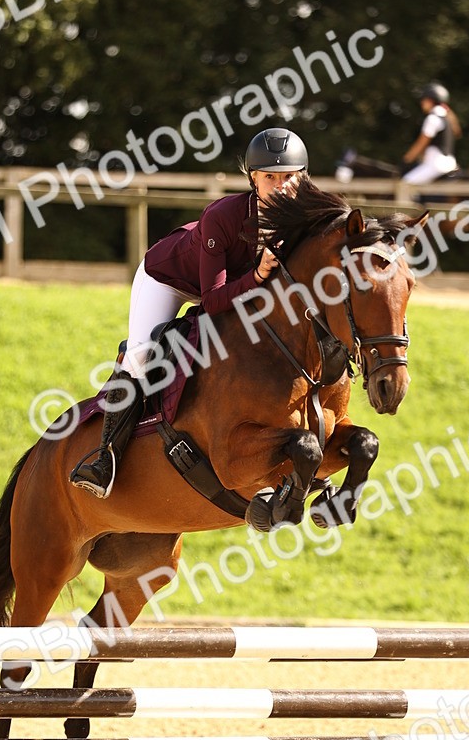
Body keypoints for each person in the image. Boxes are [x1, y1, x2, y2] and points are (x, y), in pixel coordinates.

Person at [70, 126, 308, 498]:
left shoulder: (304, 217)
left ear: (303, 178)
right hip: (168, 278)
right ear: (253, 179)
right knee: (142, 355)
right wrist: (260, 274)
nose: (281, 187)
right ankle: (104, 458)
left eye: (289, 178)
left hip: (237, 288)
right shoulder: (224, 215)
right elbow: (211, 301)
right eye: (270, 177)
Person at [400, 83, 462, 185]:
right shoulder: (446, 117)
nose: (421, 103)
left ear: (430, 100)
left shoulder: (433, 118)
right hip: (449, 163)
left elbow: (422, 143)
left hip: (436, 165)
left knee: (405, 184)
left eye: (423, 100)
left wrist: (407, 159)